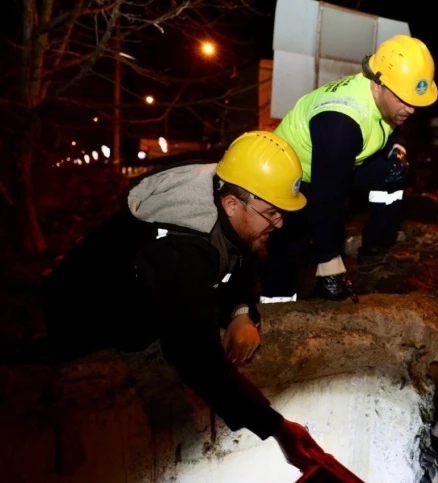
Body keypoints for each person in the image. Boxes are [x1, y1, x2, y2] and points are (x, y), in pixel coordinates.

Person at [42, 131, 330, 473]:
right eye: (271, 213)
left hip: (140, 291)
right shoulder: (180, 250)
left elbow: (239, 254)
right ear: (232, 204)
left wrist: (240, 313)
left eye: (282, 212)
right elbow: (195, 357)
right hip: (82, 319)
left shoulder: (225, 187)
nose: (279, 224)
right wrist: (277, 428)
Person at [258, 34, 438, 303]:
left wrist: (398, 150)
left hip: (335, 164)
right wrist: (330, 266)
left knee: (393, 171)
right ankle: (275, 313)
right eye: (404, 99)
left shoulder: (389, 98)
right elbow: (327, 198)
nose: (411, 110)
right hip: (289, 178)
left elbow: (391, 132)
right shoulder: (341, 123)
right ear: (377, 85)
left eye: (416, 102)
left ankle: (374, 252)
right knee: (290, 251)